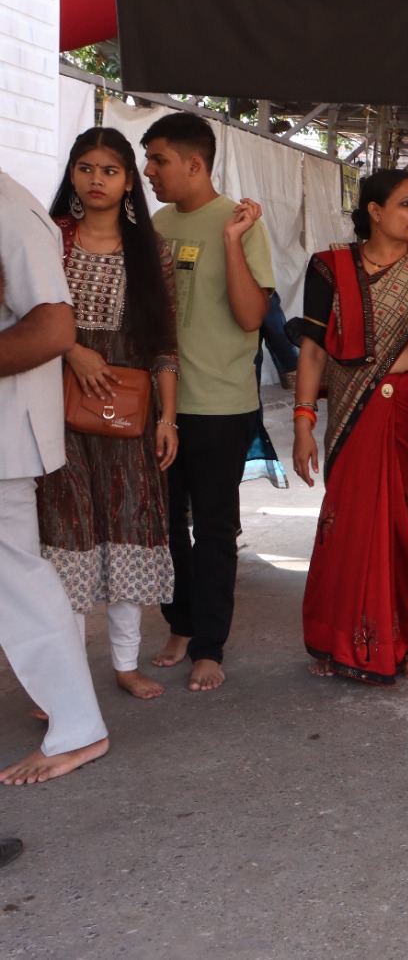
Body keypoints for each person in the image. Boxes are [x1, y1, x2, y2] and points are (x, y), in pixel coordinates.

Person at [292, 170, 408, 683]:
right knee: (348, 526)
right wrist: (303, 423)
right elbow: (314, 349)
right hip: (353, 415)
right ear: (374, 212)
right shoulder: (330, 268)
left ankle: (407, 643)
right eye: (406, 204)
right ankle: (333, 638)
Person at [38, 128, 180, 700]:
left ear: (128, 183)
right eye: (86, 167)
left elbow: (164, 343)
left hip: (128, 414)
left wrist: (168, 418)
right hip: (54, 404)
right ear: (72, 175)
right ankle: (66, 679)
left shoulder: (151, 250)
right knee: (65, 537)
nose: (97, 179)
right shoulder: (50, 239)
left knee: (128, 526)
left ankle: (124, 663)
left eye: (111, 170)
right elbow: (24, 313)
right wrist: (72, 349)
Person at [141, 112, 272, 693]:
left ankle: (209, 645)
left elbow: (251, 317)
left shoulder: (239, 222)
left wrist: (230, 243)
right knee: (164, 528)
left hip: (220, 405)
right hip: (157, 405)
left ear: (195, 164)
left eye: (159, 160)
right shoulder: (157, 223)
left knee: (214, 530)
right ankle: (181, 625)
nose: (148, 172)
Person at [0, 162, 109, 783]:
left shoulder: (10, 208)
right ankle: (72, 720)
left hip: (7, 434)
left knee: (19, 577)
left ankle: (76, 727)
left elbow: (53, 326)